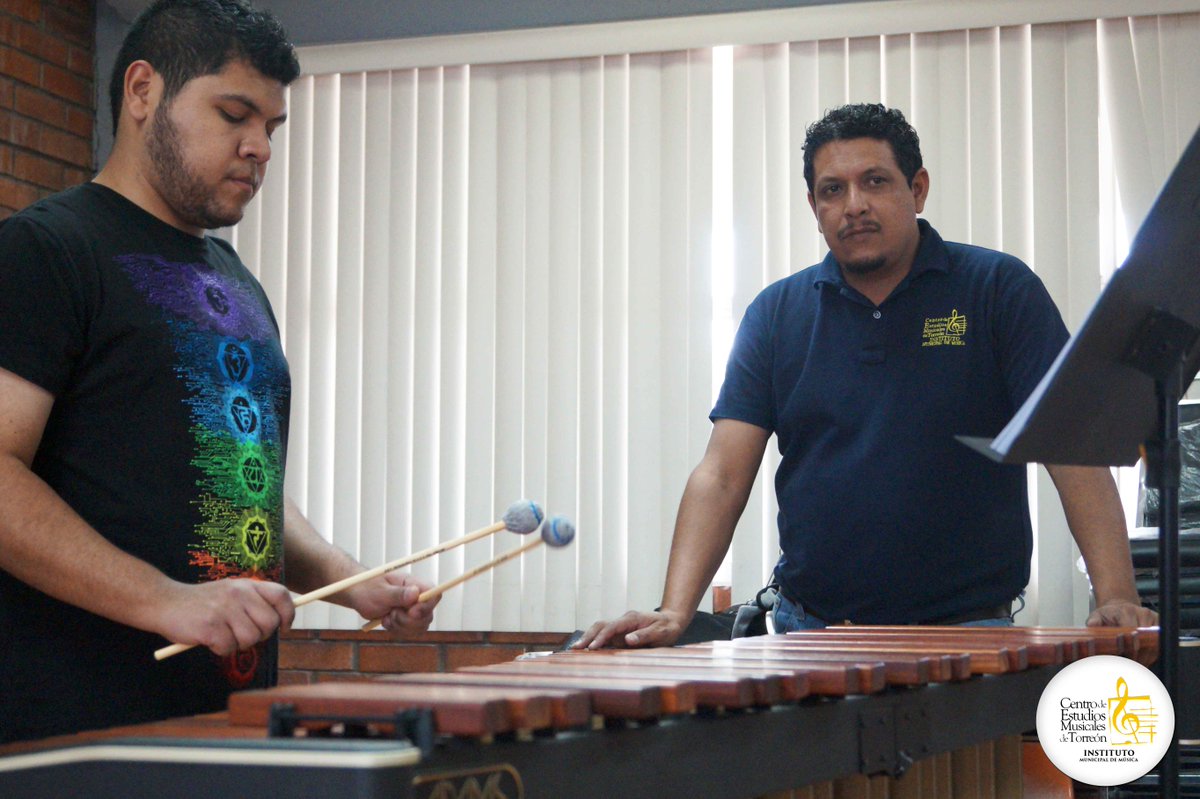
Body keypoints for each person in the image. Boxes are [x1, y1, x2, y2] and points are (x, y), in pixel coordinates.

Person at [0, 0, 437, 744]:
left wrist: (349, 578)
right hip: (75, 731)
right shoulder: (46, 251)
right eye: (234, 114)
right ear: (143, 91)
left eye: (272, 127)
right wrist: (167, 600)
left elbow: (243, 479)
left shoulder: (235, 281)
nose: (259, 146)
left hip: (225, 719)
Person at [578, 103, 1157, 650]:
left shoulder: (999, 290)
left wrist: (1116, 595)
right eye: (833, 190)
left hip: (969, 632)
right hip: (811, 633)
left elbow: (1071, 451)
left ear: (917, 189)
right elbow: (723, 473)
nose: (853, 204)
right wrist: (675, 610)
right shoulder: (775, 314)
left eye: (875, 181)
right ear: (814, 207)